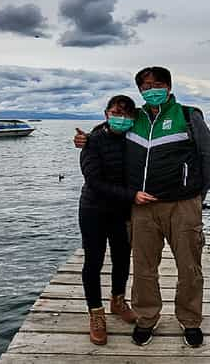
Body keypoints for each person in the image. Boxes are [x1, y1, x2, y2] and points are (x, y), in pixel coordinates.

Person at [125, 66, 210, 348]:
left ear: (168, 86)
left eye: (155, 84)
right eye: (144, 86)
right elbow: (110, 142)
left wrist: (197, 197)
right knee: (143, 268)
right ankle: (146, 318)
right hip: (143, 207)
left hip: (183, 206)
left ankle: (190, 320)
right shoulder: (134, 118)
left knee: (190, 268)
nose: (150, 89)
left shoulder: (189, 116)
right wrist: (86, 141)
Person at [78, 95, 141, 345]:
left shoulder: (135, 140)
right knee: (93, 261)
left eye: (125, 114)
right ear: (106, 114)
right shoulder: (92, 140)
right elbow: (94, 181)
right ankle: (96, 314)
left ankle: (117, 301)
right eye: (115, 112)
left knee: (122, 258)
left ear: (132, 118)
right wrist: (133, 196)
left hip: (123, 211)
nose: (120, 117)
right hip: (93, 209)